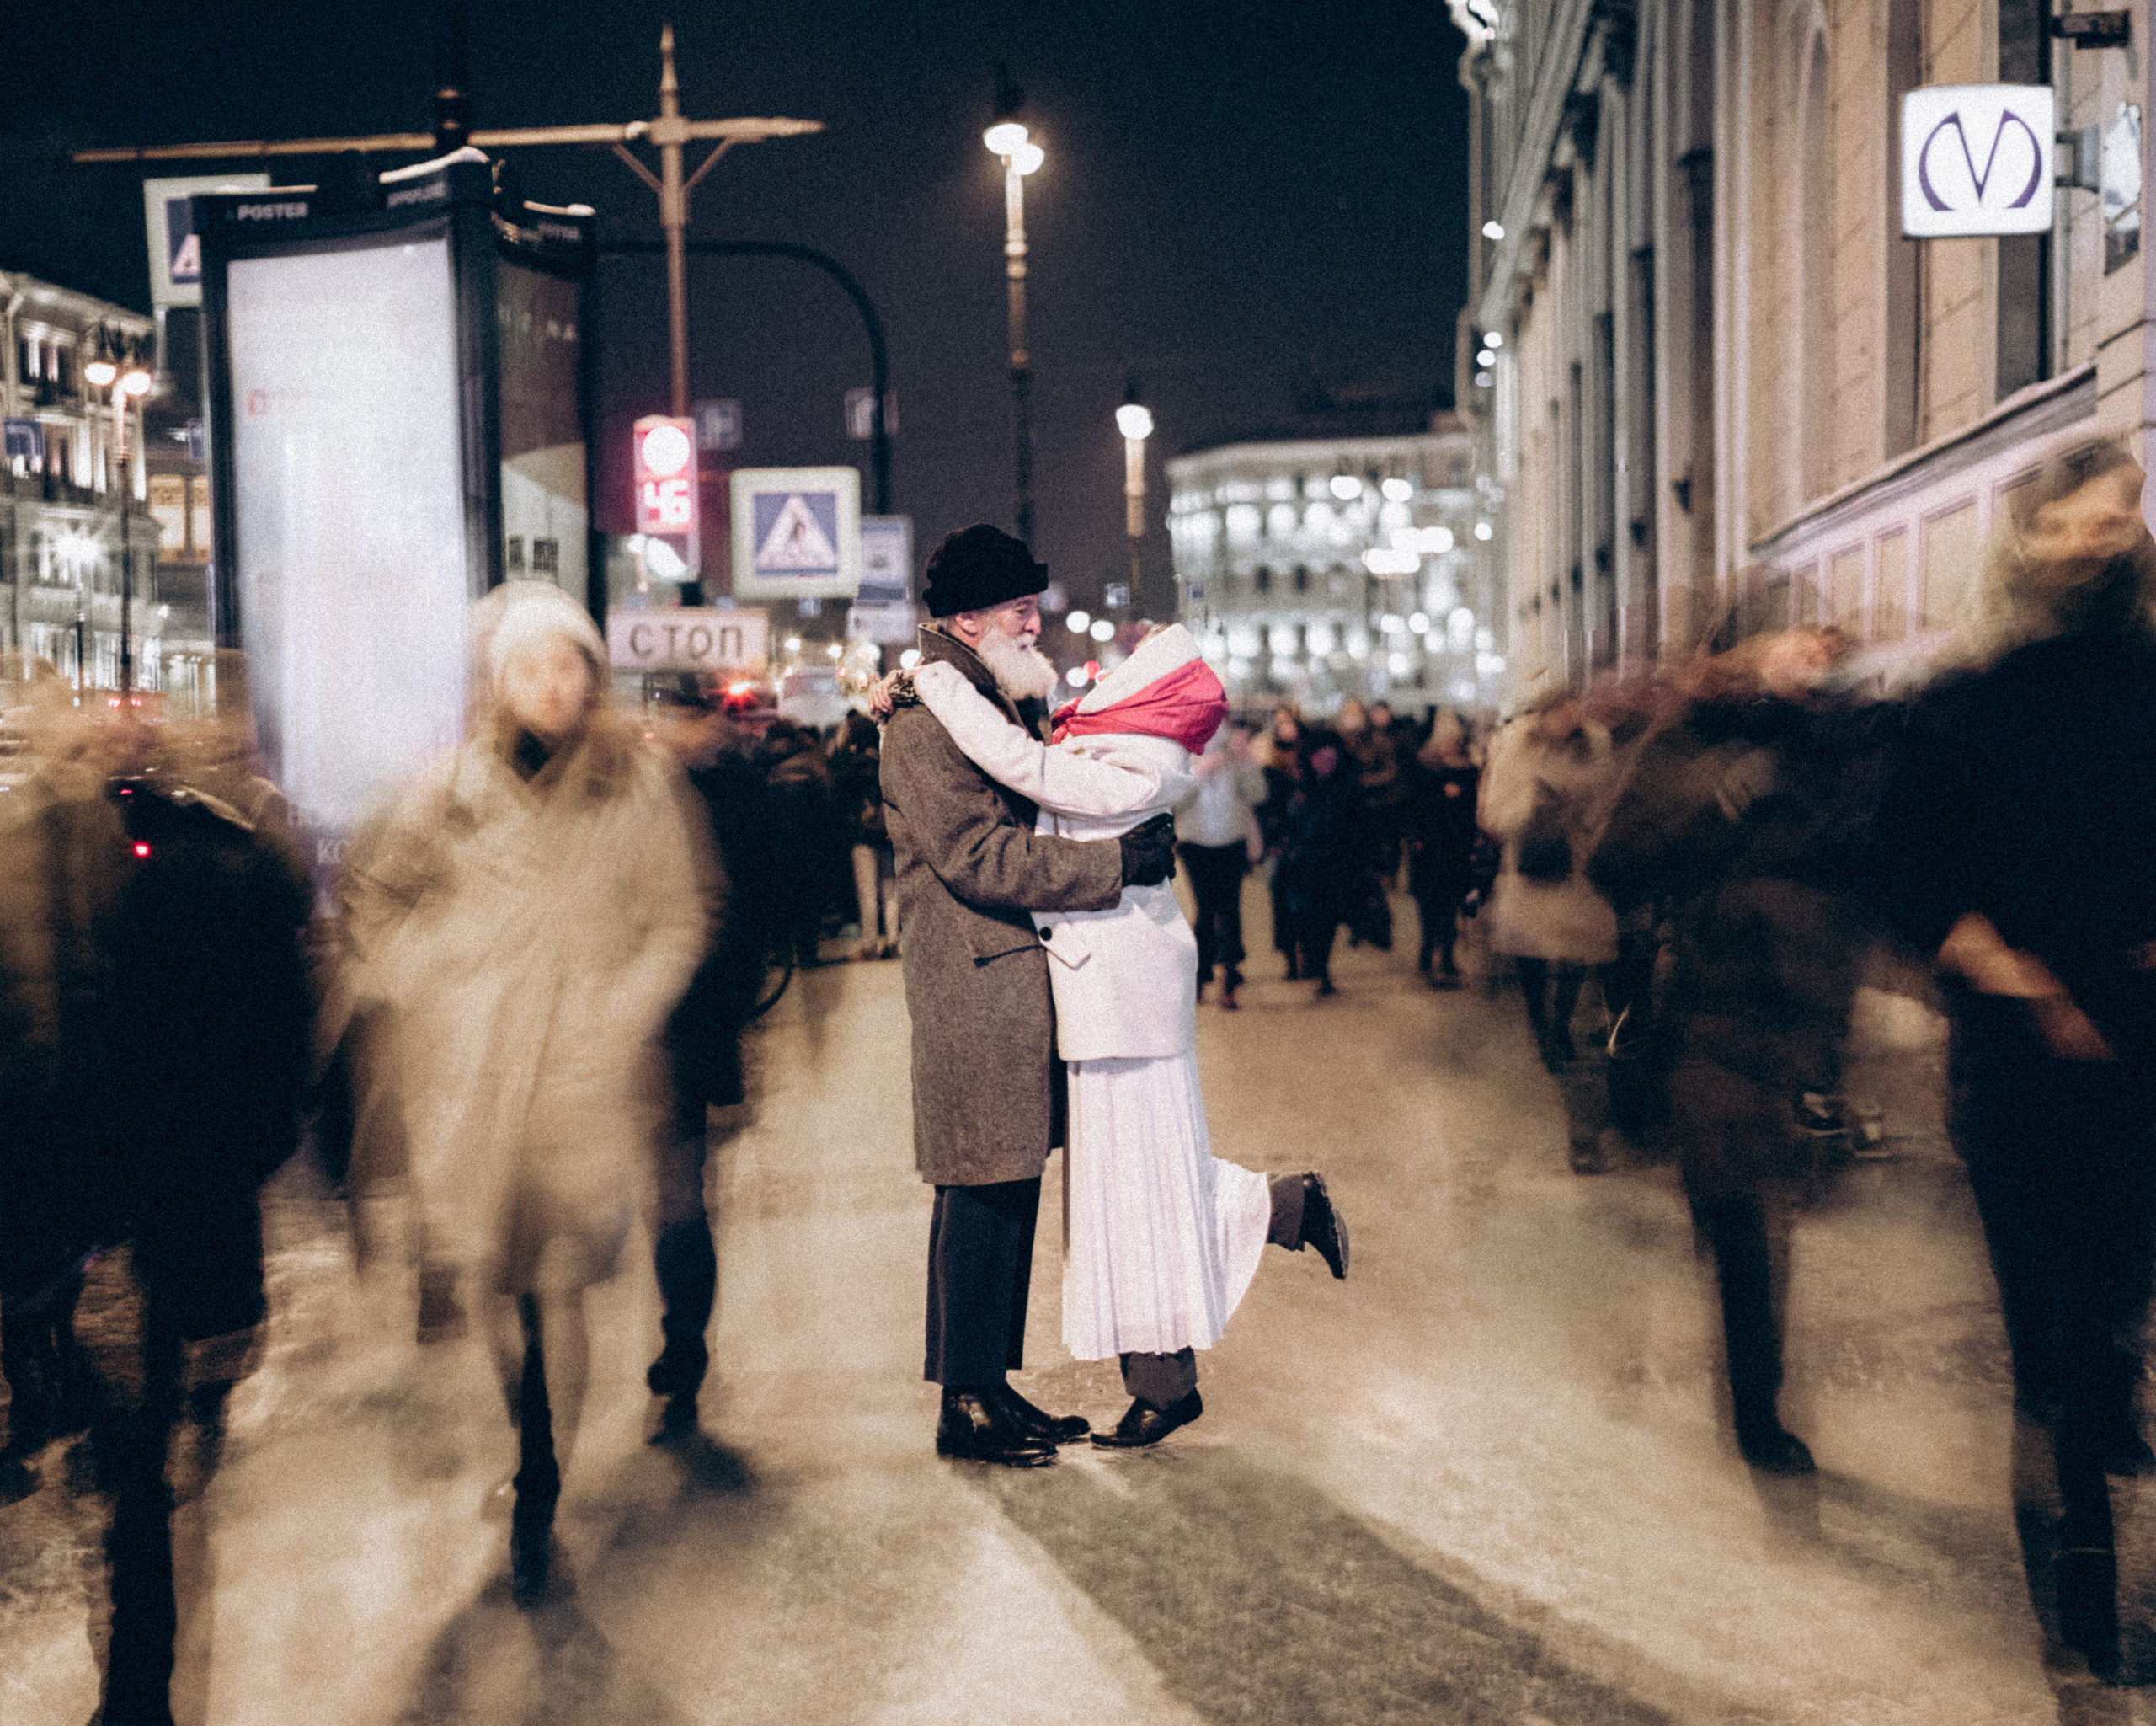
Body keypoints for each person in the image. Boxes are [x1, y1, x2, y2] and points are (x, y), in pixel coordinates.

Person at [340, 582, 710, 1597]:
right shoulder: (450, 785)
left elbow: (678, 921)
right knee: (494, 1278)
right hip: (473, 1074)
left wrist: (617, 1013)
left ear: (592, 678)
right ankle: (528, 1431)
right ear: (500, 682)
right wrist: (430, 978)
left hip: (583, 1078)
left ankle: (546, 1468)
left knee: (562, 1277)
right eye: (530, 668)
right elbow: (376, 901)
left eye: (568, 666)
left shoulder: (635, 787)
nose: (551, 686)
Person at [905, 621, 1348, 1445]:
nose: (1102, 680)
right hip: (1102, 1000)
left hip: (1124, 1002)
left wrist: (930, 683)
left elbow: (1025, 766)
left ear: (1150, 698)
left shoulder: (1140, 765)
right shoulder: (1111, 750)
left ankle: (1271, 1229)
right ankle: (1178, 1360)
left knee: (1143, 1187)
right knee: (1132, 1192)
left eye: (1125, 673)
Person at [1868, 437, 2156, 1679]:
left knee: (2114, 1329)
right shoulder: (1963, 701)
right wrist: (2011, 974)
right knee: (2050, 1340)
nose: (2098, 543)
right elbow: (1906, 869)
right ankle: (2078, 1583)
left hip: (2145, 1063)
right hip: (2021, 1073)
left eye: (2120, 522)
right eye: (2075, 524)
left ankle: (2101, 1514)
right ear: (2028, 539)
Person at [878, 524, 1179, 1467]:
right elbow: (976, 856)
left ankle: (989, 1388)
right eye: (1017, 606)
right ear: (968, 618)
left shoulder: (974, 699)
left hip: (1005, 976)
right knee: (978, 1188)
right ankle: (964, 1399)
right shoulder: (931, 724)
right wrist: (1112, 864)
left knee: (1002, 1184)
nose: (1032, 619)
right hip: (975, 980)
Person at [1591, 627, 1889, 1478]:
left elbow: (1875, 851)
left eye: (1816, 650)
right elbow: (1616, 861)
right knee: (1744, 1222)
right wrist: (1720, 796)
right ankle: (1758, 1406)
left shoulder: (1830, 738)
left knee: (1769, 1215)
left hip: (1807, 1019)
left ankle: (1757, 1386)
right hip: (1708, 1016)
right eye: (1780, 646)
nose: (1800, 661)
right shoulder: (1690, 740)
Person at [1480, 689, 1621, 1069]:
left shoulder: (1594, 744)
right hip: (1530, 861)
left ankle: (1560, 1024)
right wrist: (1533, 802)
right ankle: (1541, 1028)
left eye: (1574, 713)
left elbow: (1608, 797)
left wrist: (1585, 814)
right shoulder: (1514, 746)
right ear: (1544, 714)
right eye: (1560, 713)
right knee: (1532, 951)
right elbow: (1495, 809)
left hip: (1578, 860)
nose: (1568, 721)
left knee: (1578, 947)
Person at [1174, 719, 1264, 1008]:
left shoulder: (1234, 759)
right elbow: (1173, 801)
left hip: (1231, 843)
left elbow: (1259, 794)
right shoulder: (1182, 757)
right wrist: (1199, 775)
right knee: (1205, 909)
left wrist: (1248, 760)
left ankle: (1229, 977)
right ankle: (1200, 975)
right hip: (1194, 845)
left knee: (1230, 909)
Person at [1272, 729, 1363, 995]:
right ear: (1311, 759)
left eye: (1331, 759)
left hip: (1334, 863)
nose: (1326, 764)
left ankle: (1321, 969)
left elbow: (1357, 828)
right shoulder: (1299, 787)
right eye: (1321, 758)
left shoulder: (1346, 788)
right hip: (1301, 864)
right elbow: (1285, 820)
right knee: (1299, 916)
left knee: (1326, 919)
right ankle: (1300, 961)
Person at [1402, 711, 1481, 987]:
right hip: (1428, 847)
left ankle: (1446, 955)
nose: (1452, 745)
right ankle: (1427, 948)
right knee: (1428, 903)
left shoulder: (1468, 770)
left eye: (1456, 740)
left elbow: (1473, 808)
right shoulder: (1424, 766)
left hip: (1455, 846)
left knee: (1450, 904)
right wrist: (1416, 838)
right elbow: (1414, 805)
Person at [830, 709, 899, 959]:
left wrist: (839, 749)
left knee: (867, 893)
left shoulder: (851, 766)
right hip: (887, 834)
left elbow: (837, 795)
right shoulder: (886, 762)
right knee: (891, 891)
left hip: (861, 835)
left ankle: (870, 945)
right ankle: (893, 941)